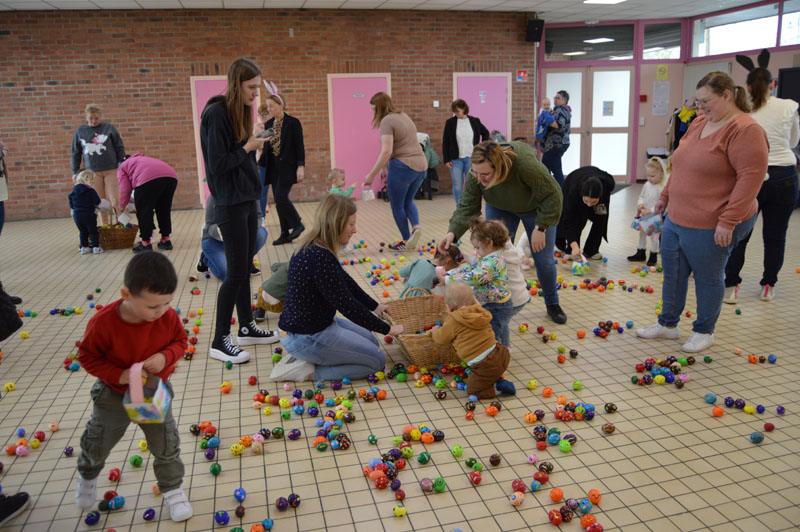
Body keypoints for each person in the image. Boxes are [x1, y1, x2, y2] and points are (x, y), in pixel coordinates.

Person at [636, 71, 768, 353]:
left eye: (706, 101)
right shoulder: (699, 122)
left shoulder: (745, 130)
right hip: (677, 217)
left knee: (708, 276)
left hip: (713, 221)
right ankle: (668, 324)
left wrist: (728, 221)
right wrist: (666, 196)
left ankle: (704, 331)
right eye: (698, 102)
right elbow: (679, 165)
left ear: (727, 95)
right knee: (673, 272)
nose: (701, 107)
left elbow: (750, 180)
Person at [74, 252, 192, 522]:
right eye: (153, 306)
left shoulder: (167, 316)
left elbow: (180, 341)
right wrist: (119, 375)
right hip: (113, 396)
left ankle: (173, 491)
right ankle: (88, 476)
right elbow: (87, 357)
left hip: (153, 394)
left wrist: (166, 356)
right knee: (98, 441)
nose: (161, 311)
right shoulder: (103, 323)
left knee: (166, 443)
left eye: (167, 303)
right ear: (126, 294)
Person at [200, 57, 279, 364]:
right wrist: (246, 148)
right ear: (236, 84)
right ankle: (220, 339)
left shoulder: (242, 112)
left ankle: (246, 326)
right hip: (229, 202)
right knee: (233, 273)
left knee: (245, 267)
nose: (255, 94)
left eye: (257, 87)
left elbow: (241, 155)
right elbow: (217, 165)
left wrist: (254, 146)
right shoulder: (216, 113)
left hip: (247, 197)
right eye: (251, 87)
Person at [275, 194, 404, 382]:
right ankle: (308, 371)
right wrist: (387, 329)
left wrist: (375, 307)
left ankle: (316, 358)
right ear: (335, 223)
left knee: (372, 342)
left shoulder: (318, 246)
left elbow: (346, 282)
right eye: (351, 225)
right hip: (307, 336)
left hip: (316, 325)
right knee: (376, 361)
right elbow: (347, 305)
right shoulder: (319, 256)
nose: (355, 230)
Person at [439, 140, 566, 324]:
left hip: (535, 208)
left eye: (485, 174)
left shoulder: (524, 165)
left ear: (499, 167)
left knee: (543, 259)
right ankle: (498, 304)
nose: (480, 179)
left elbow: (553, 194)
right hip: (500, 207)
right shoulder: (478, 171)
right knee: (494, 256)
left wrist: (542, 226)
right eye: (476, 173)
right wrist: (452, 233)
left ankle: (552, 302)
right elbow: (467, 204)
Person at [723, 67, 800, 303]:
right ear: (772, 84)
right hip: (785, 176)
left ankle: (731, 286)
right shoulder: (789, 106)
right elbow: (794, 141)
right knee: (776, 235)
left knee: (740, 234)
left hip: (751, 176)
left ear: (746, 87)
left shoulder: (741, 111)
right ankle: (768, 285)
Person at [363, 92, 428, 251]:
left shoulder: (387, 121)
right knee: (408, 201)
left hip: (403, 167)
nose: (373, 113)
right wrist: (385, 168)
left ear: (379, 108)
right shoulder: (403, 115)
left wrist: (371, 174)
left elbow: (387, 151)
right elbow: (402, 143)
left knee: (397, 205)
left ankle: (407, 240)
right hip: (421, 166)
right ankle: (416, 227)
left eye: (374, 110)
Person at [430, 282, 515, 399]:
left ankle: (499, 385)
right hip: (501, 353)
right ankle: (496, 378)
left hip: (484, 364)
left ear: (449, 306)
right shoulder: (480, 311)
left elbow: (441, 339)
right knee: (490, 372)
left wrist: (435, 332)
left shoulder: (453, 320)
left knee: (473, 390)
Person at [444, 218, 515, 346]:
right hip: (495, 303)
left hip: (497, 306)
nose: (476, 251)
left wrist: (448, 278)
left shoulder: (493, 262)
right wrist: (456, 269)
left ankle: (495, 358)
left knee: (491, 334)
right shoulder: (489, 257)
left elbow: (475, 277)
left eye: (477, 247)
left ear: (489, 243)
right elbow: (475, 266)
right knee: (500, 328)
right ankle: (504, 349)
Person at [258, 93, 306, 245]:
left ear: (281, 105)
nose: (270, 109)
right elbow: (263, 143)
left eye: (272, 106)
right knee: (279, 201)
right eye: (268, 107)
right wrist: (259, 162)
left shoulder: (293, 123)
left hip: (288, 167)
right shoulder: (269, 124)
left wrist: (301, 166)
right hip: (273, 167)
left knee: (280, 197)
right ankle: (285, 233)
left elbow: (299, 146)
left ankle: (297, 224)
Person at [71, 104, 126, 225]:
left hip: (111, 169)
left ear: (100, 117)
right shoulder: (80, 131)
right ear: (86, 117)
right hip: (92, 172)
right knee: (99, 201)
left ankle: (122, 225)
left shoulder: (109, 128)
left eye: (96, 118)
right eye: (91, 118)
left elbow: (119, 147)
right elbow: (76, 152)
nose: (94, 121)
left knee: (115, 200)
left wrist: (122, 164)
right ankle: (105, 227)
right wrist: (75, 171)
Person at [117, 153, 179, 253]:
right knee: (164, 210)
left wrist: (122, 206)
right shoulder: (144, 159)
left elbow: (125, 189)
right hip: (171, 177)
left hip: (146, 179)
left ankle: (145, 243)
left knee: (144, 212)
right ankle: (166, 240)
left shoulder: (122, 167)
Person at [197, 194, 267, 281]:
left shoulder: (251, 191)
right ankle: (205, 258)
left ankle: (245, 261)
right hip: (215, 240)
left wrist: (246, 231)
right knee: (229, 276)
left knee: (260, 234)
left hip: (240, 238)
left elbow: (258, 216)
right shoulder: (216, 195)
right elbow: (209, 226)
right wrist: (230, 233)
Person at [556, 166, 615, 261]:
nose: (589, 205)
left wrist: (596, 204)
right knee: (576, 219)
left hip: (599, 190)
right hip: (574, 181)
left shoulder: (607, 184)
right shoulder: (574, 192)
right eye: (586, 201)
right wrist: (574, 246)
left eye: (593, 202)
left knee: (600, 219)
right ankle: (571, 249)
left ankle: (591, 249)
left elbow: (600, 217)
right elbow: (569, 221)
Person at [442, 99, 490, 204]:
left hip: (471, 158)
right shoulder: (450, 123)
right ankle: (460, 208)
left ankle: (470, 206)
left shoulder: (475, 121)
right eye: (454, 112)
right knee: (458, 185)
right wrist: (446, 159)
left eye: (458, 111)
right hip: (455, 159)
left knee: (471, 184)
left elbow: (486, 133)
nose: (456, 114)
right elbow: (445, 142)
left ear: (464, 109)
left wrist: (482, 148)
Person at [628, 157, 668, 266]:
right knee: (642, 234)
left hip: (655, 216)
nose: (649, 178)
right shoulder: (647, 185)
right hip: (644, 214)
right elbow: (642, 196)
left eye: (652, 176)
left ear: (661, 174)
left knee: (654, 237)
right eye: (648, 176)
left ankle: (653, 255)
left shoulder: (661, 188)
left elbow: (661, 203)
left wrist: (649, 211)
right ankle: (641, 252)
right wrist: (640, 204)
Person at [398, 244, 462, 298]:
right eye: (449, 269)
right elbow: (440, 294)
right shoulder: (439, 275)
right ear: (448, 262)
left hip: (405, 300)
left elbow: (402, 273)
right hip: (423, 305)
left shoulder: (419, 262)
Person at [69, 170, 105, 255]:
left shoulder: (74, 191)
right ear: (90, 180)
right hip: (88, 214)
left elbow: (71, 204)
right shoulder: (90, 190)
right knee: (93, 231)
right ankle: (96, 247)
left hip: (77, 215)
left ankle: (84, 248)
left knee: (82, 232)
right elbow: (97, 201)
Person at [541, 90, 572, 187]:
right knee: (545, 169)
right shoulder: (563, 110)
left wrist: (544, 120)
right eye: (555, 98)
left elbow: (558, 124)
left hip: (555, 145)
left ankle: (562, 194)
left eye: (558, 98)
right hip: (556, 144)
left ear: (564, 100)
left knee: (556, 171)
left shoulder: (560, 110)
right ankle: (548, 189)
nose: (555, 99)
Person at [254, 102, 271, 215]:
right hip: (262, 162)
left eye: (266, 114)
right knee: (262, 192)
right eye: (260, 114)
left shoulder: (275, 125)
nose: (263, 117)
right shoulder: (257, 127)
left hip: (274, 162)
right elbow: (257, 143)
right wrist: (268, 136)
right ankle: (262, 217)